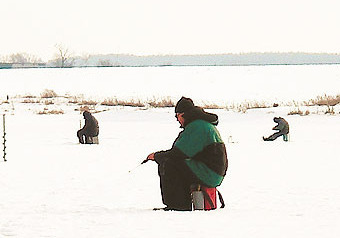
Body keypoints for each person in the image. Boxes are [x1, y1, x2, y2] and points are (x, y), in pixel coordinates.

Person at [146, 97, 228, 211]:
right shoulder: (201, 125)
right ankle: (182, 203)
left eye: (177, 116)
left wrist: (156, 156)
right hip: (211, 172)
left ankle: (177, 206)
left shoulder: (197, 126)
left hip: (209, 173)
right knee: (177, 164)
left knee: (168, 163)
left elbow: (178, 153)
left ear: (183, 114)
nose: (177, 120)